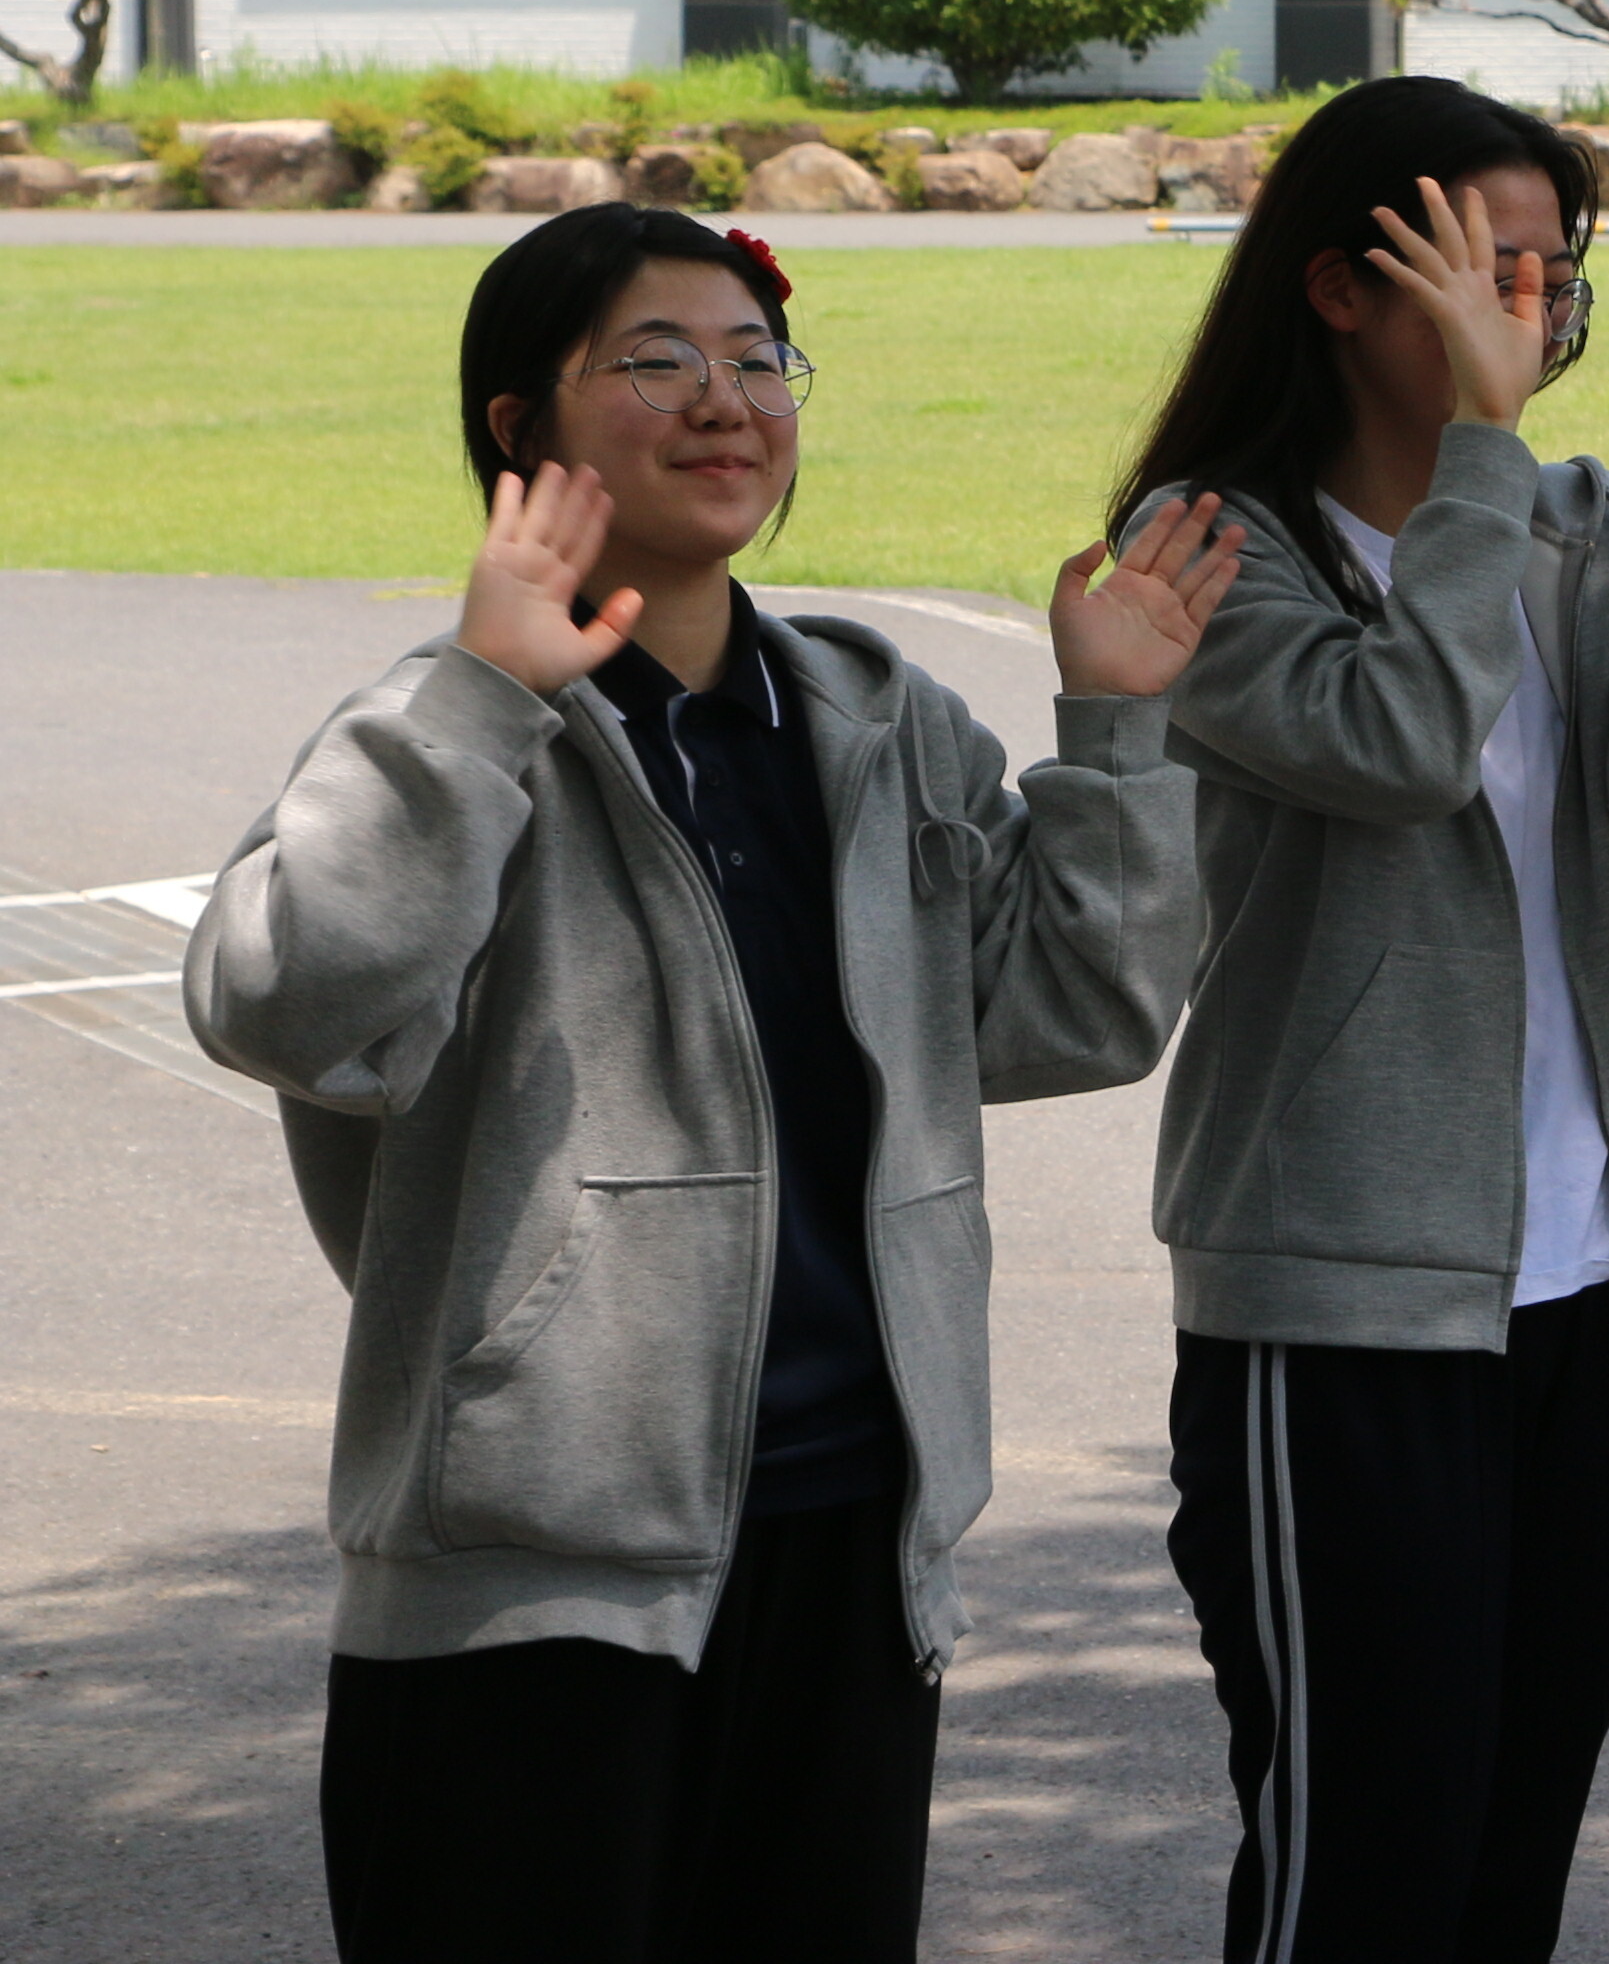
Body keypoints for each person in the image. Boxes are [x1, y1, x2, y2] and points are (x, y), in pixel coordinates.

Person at [187, 204, 1220, 1964]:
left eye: (758, 359)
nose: (726, 401)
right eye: (656, 361)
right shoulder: (444, 731)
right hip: (533, 1579)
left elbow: (1072, 1012)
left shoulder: (874, 720)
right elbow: (283, 1000)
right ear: (522, 427)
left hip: (851, 1543)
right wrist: (482, 691)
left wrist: (1114, 734)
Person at [1111, 76, 1609, 1964]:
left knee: (1508, 1857)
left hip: (1592, 1295)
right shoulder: (1207, 544)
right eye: (1493, 270)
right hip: (1340, 1309)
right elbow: (1399, 737)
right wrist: (1490, 454)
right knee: (1365, 1871)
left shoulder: (1567, 521)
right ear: (1339, 284)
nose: (1541, 311)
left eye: (1557, 274)